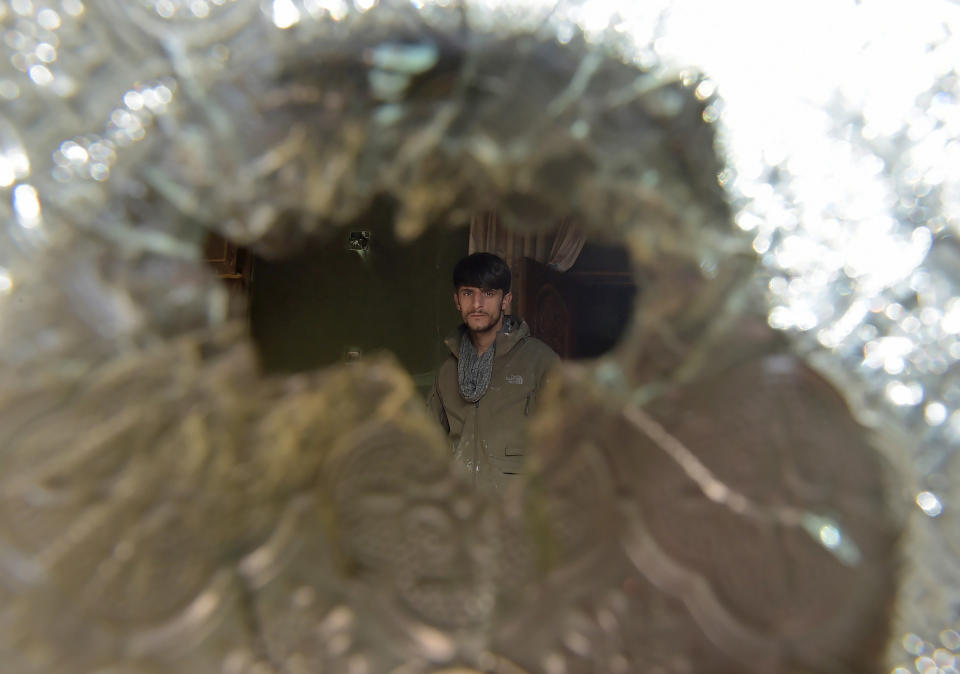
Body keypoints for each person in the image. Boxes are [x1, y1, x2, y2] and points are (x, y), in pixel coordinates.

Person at [427, 252, 559, 485]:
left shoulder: (540, 362)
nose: (477, 304)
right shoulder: (448, 370)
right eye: (468, 293)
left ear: (505, 300)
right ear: (457, 300)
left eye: (488, 294)